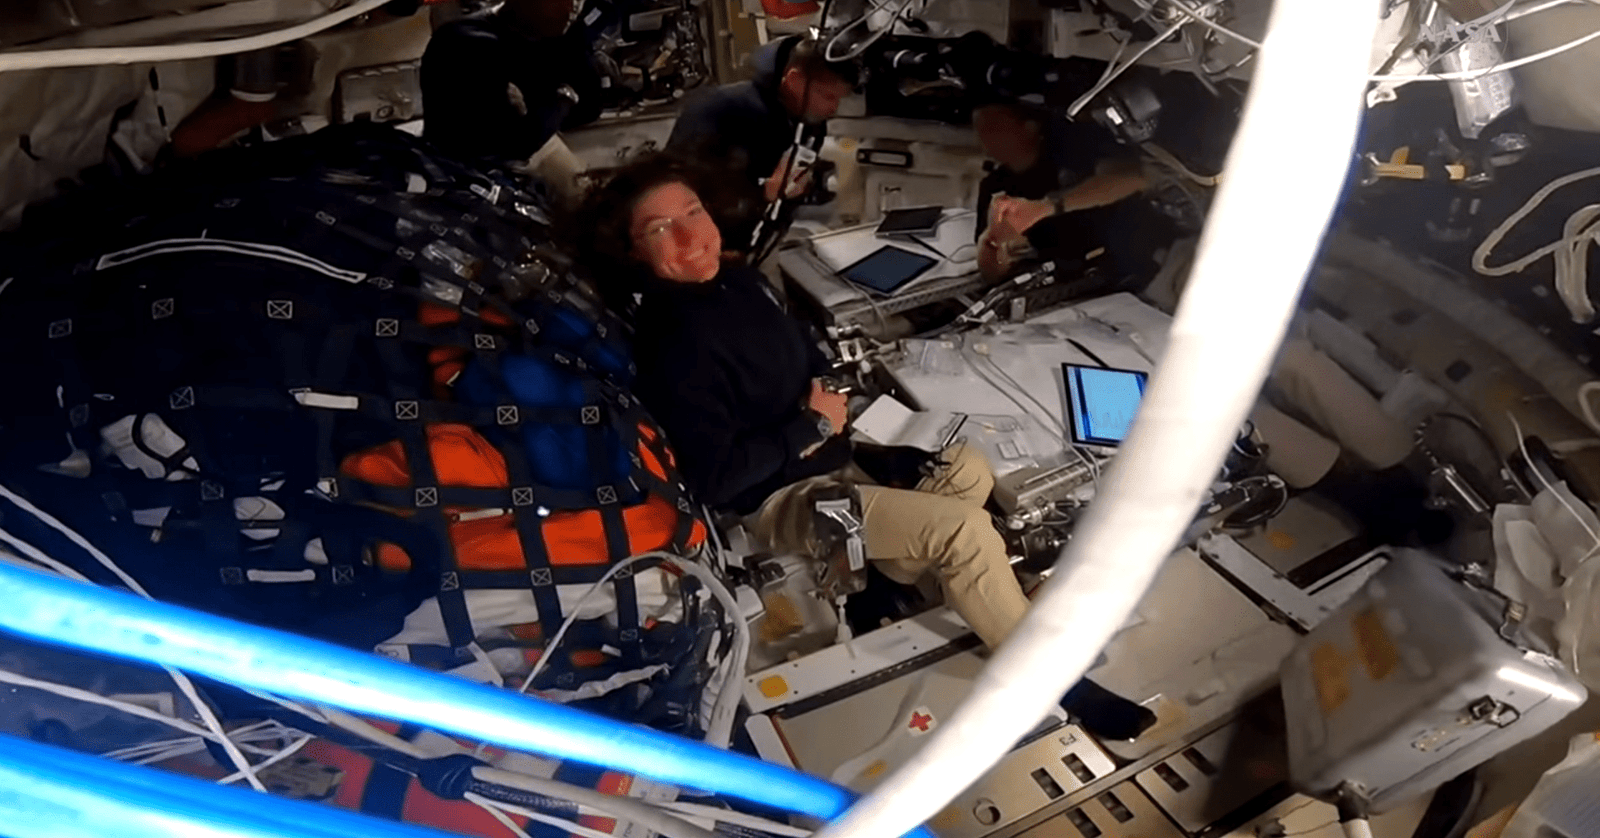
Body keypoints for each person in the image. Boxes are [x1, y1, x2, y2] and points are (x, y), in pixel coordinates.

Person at [576, 154, 1157, 740]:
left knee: (969, 463)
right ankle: (1058, 682)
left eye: (692, 212)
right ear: (633, 253)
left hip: (837, 461)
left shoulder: (741, 280)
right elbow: (715, 480)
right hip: (784, 499)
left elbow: (809, 364)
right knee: (967, 532)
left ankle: (935, 580)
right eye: (659, 230)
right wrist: (811, 428)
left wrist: (858, 430)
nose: (687, 235)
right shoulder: (673, 345)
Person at [665, 36, 855, 244]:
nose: (834, 108)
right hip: (701, 248)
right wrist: (762, 192)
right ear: (793, 80)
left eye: (838, 99)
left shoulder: (806, 122)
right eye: (828, 96)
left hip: (760, 240)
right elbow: (676, 190)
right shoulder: (717, 109)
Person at [971, 102, 1166, 283]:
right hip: (1072, 283)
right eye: (980, 131)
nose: (984, 138)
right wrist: (993, 241)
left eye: (994, 129)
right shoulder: (994, 187)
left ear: (1030, 127)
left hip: (1142, 258)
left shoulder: (1071, 149)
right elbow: (990, 274)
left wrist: (1046, 207)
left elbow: (1131, 178)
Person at [420, 0, 602, 193]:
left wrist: (578, 38)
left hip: (529, 144)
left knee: (594, 200)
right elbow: (518, 143)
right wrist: (563, 98)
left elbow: (589, 108)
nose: (574, 7)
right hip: (467, 169)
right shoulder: (467, 41)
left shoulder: (547, 34)